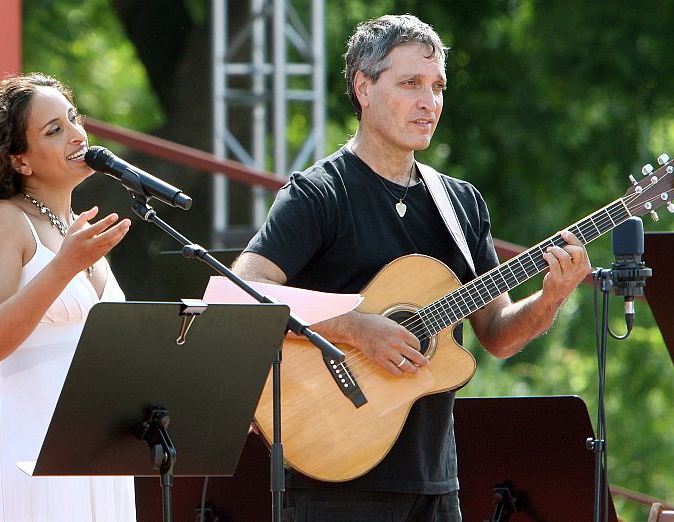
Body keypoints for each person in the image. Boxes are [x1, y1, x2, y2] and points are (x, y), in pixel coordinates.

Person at [232, 14, 591, 521]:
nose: (430, 102)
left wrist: (552, 296)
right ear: (363, 87)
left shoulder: (460, 203)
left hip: (434, 481)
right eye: (410, 84)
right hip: (334, 469)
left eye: (438, 86)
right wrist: (355, 330)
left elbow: (499, 335)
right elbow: (244, 291)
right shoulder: (317, 194)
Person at [0, 73, 135, 521]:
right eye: (54, 130)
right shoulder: (3, 223)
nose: (76, 134)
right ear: (20, 161)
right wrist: (63, 267)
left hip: (92, 447)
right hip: (26, 444)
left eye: (73, 118)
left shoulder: (75, 230)